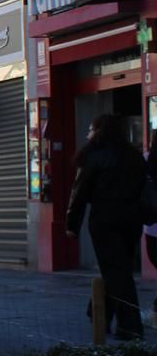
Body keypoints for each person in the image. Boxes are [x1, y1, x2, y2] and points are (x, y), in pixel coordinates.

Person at [67, 114, 146, 339]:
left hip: (105, 220)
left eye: (91, 129)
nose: (88, 134)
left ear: (100, 131)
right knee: (118, 269)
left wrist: (72, 224)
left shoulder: (94, 156)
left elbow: (79, 192)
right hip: (131, 220)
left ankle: (129, 326)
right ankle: (98, 312)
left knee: (116, 271)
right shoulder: (134, 156)